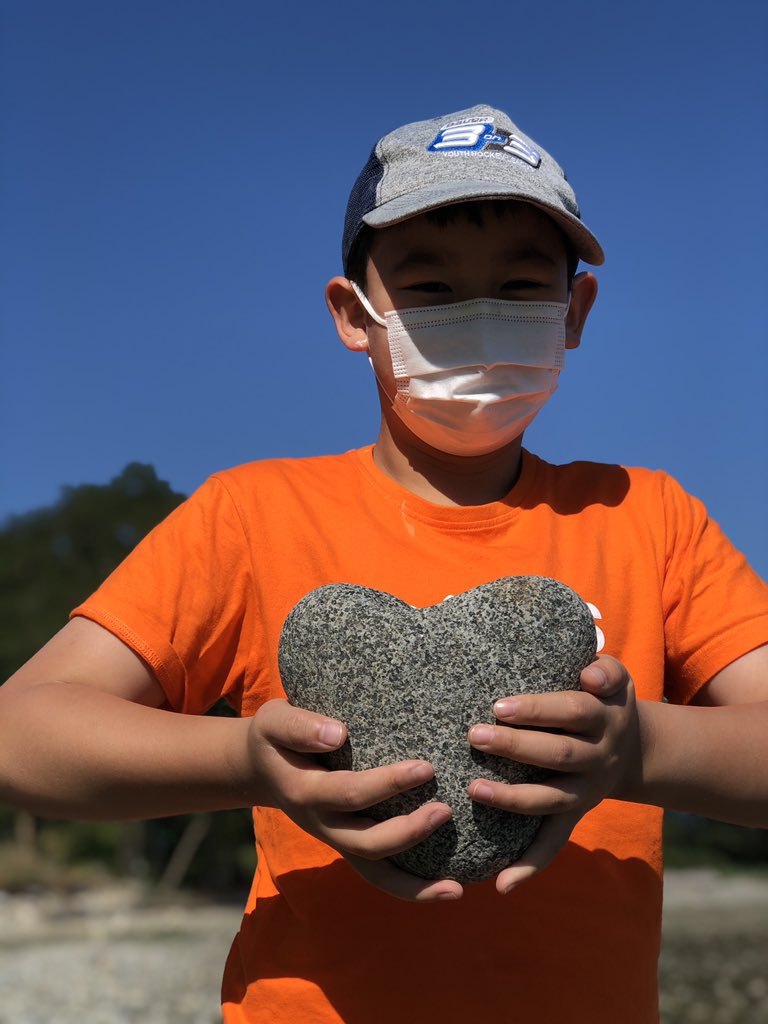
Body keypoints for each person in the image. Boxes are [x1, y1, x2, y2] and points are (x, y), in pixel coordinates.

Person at [1, 104, 767, 1024]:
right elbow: (22, 734)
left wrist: (642, 747)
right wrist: (248, 760)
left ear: (576, 311)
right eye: (431, 289)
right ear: (352, 315)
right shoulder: (251, 515)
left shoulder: (651, 517)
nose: (477, 315)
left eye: (521, 284)